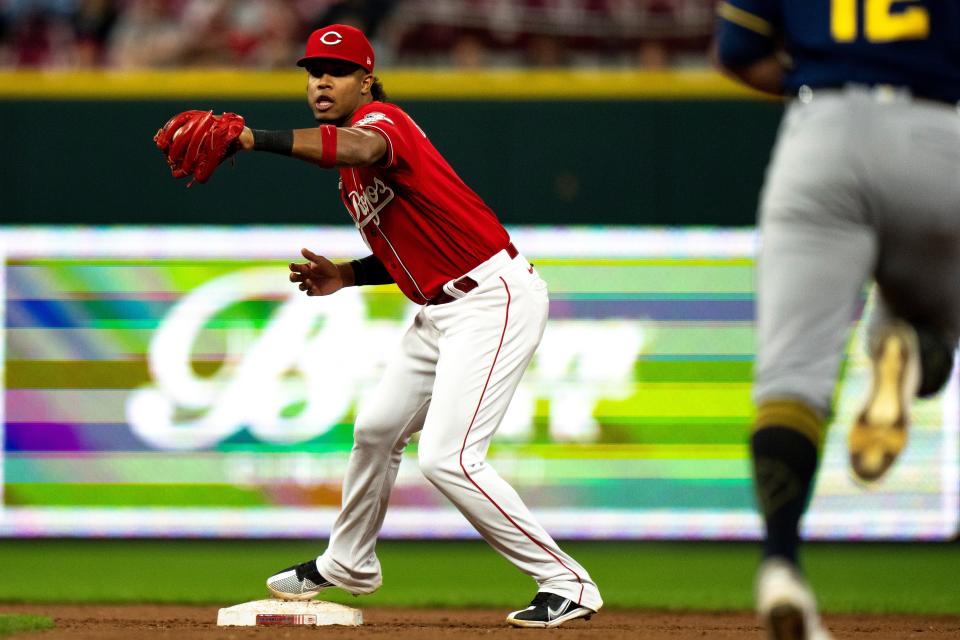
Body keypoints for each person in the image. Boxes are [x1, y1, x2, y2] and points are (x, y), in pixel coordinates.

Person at [233, 24, 603, 628]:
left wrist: (253, 139)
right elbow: (415, 245)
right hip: (439, 310)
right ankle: (348, 562)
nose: (321, 80)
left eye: (338, 70)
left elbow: (356, 148)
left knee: (450, 459)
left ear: (367, 79)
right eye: (312, 71)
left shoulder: (384, 124)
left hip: (491, 299)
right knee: (377, 429)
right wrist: (348, 276)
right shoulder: (351, 167)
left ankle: (567, 582)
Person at [714, 2, 959, 639]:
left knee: (791, 382)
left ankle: (781, 568)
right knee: (935, 331)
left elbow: (738, 50)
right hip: (939, 129)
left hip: (821, 129)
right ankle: (904, 342)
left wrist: (815, 82)